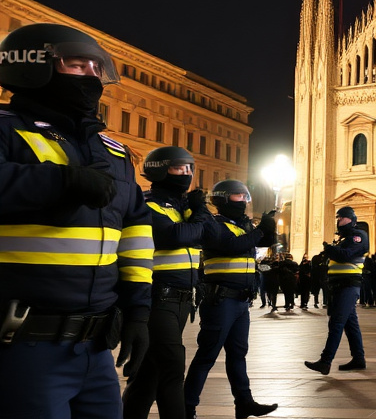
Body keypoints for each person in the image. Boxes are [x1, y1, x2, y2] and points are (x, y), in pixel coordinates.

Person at [0, 23, 153, 417]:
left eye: (96, 67)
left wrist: (138, 310)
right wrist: (62, 181)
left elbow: (136, 229)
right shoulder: (5, 128)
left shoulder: (112, 151)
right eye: (76, 64)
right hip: (22, 341)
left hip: (96, 347)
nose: (91, 75)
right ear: (31, 65)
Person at [123, 147, 208, 419]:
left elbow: (205, 235)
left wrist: (196, 213)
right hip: (158, 298)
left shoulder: (184, 208)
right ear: (159, 169)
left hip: (182, 299)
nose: (187, 174)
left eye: (189, 168)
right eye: (179, 168)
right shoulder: (147, 203)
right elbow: (175, 236)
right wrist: (200, 212)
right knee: (172, 367)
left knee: (150, 374)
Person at [183, 179, 277, 419]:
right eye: (238, 196)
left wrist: (269, 225)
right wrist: (259, 229)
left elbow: (264, 242)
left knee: (238, 354)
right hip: (220, 300)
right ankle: (187, 407)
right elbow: (232, 245)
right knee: (207, 355)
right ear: (223, 199)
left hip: (240, 302)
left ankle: (244, 403)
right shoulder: (213, 224)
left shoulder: (243, 225)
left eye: (245, 196)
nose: (243, 201)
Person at [305, 207, 369, 374]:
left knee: (336, 323)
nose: (338, 220)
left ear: (349, 219)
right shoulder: (343, 239)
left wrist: (330, 249)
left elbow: (345, 255)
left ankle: (325, 361)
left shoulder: (358, 236)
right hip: (339, 285)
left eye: (340, 218)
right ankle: (358, 358)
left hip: (348, 285)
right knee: (350, 324)